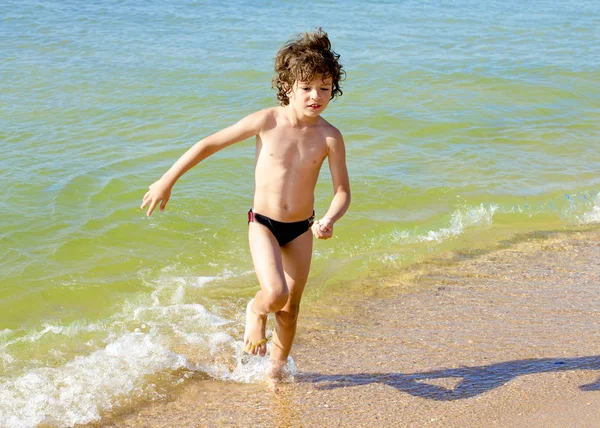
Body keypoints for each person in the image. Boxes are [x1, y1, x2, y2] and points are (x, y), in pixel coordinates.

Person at [141, 28, 350, 378]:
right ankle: (255, 311)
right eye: (307, 87)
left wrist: (329, 218)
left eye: (325, 88)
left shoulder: (330, 136)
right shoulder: (267, 121)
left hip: (301, 228)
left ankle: (276, 370)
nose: (316, 96)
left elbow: (342, 190)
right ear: (287, 88)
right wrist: (167, 180)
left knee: (291, 310)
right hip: (264, 224)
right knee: (275, 293)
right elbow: (209, 144)